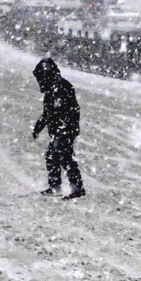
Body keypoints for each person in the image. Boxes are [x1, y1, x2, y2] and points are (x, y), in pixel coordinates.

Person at [32, 58, 85, 200]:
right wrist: (39, 127)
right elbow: (48, 113)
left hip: (64, 130)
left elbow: (57, 111)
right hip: (63, 129)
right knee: (55, 156)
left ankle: (74, 187)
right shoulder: (54, 88)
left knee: (64, 157)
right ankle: (59, 187)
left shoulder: (59, 88)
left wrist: (62, 129)